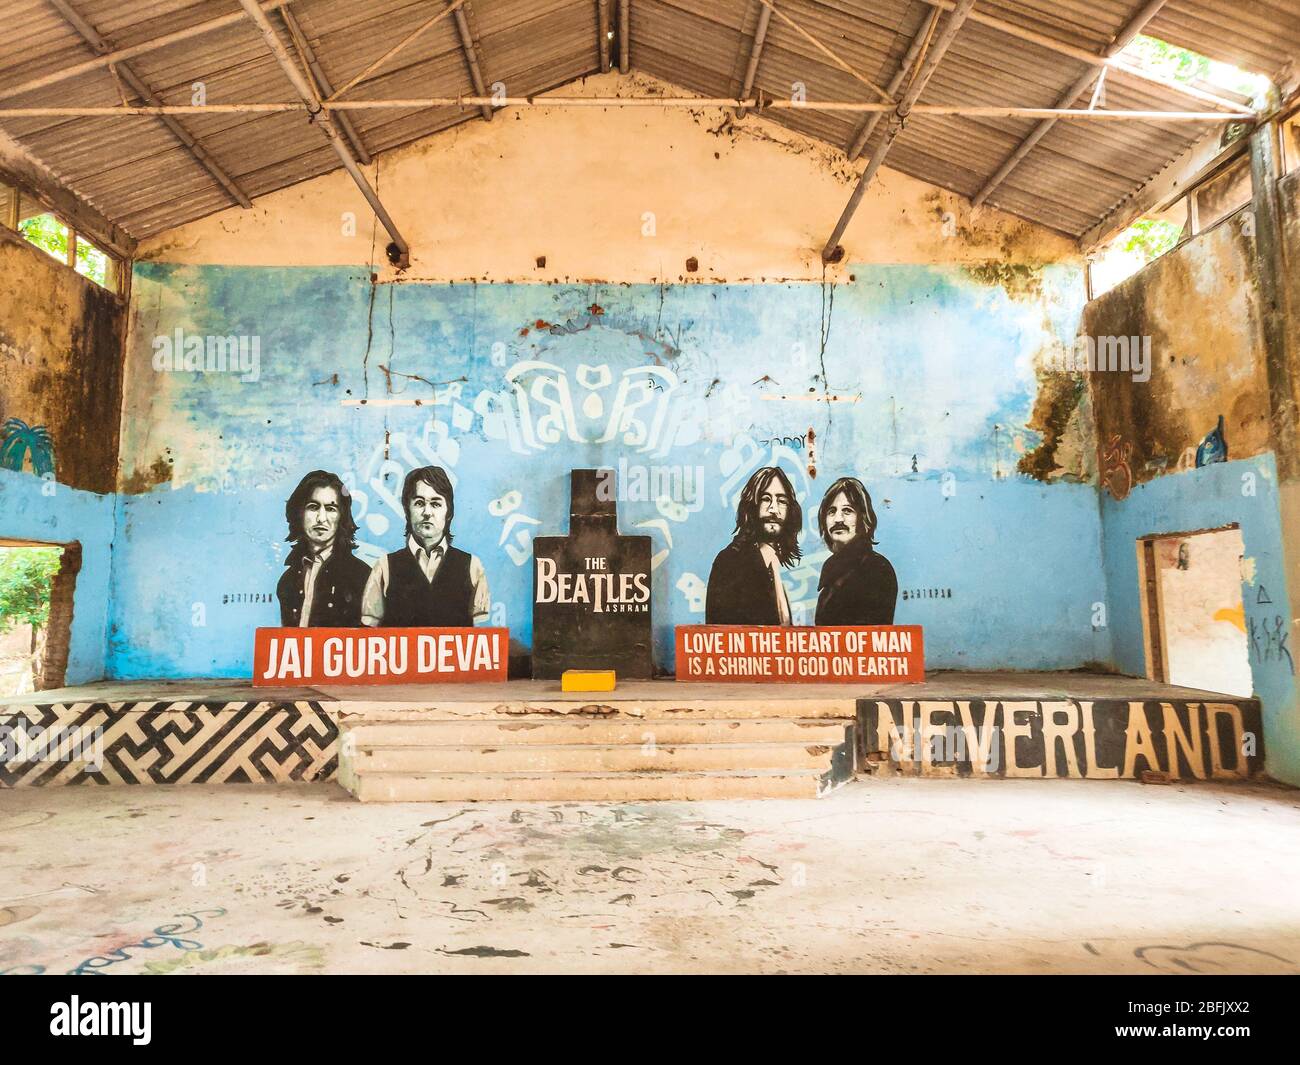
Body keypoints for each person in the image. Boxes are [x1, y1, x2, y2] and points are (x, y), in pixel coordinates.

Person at [361, 465, 490, 627]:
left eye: (436, 504)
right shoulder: (384, 567)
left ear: (448, 512)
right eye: (419, 503)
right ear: (407, 510)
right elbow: (369, 634)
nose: (427, 512)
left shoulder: (472, 566)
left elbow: (482, 634)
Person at [705, 466, 801, 625]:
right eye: (766, 499)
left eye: (782, 501)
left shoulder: (773, 563)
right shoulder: (730, 562)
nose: (773, 509)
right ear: (751, 506)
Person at [276, 470, 370, 627]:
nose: (321, 518)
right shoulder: (287, 581)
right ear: (299, 513)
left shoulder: (361, 576)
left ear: (342, 516)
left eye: (330, 508)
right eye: (313, 507)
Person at [814, 476, 897, 625]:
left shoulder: (876, 568)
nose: (838, 519)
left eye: (847, 511)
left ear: (862, 518)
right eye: (831, 511)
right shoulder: (831, 571)